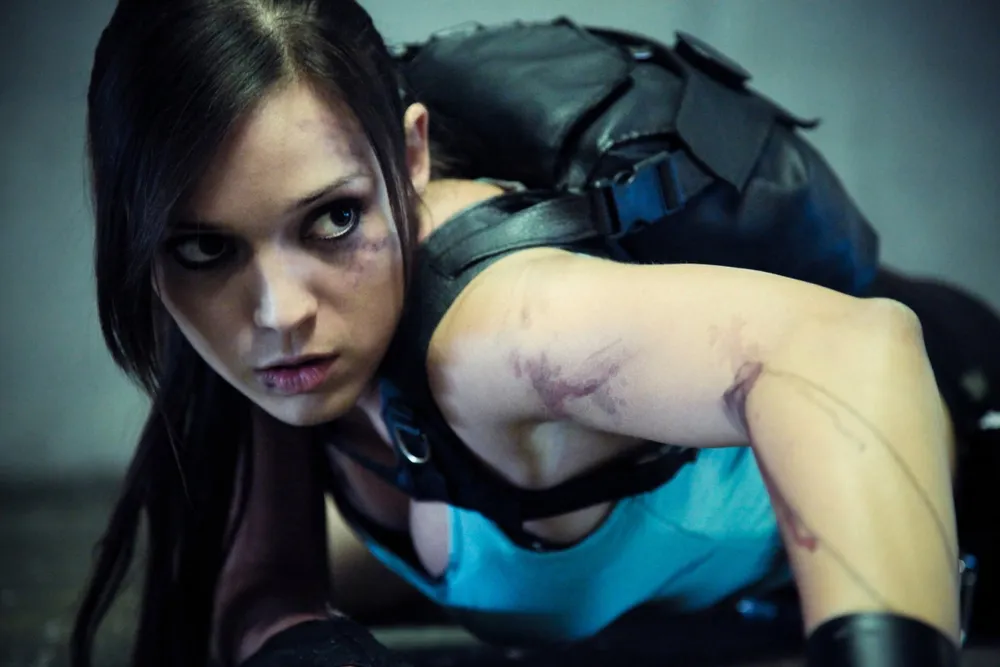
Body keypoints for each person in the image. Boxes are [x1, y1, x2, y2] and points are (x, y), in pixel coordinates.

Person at [69, 1, 998, 666]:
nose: (278, 313)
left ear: (411, 155)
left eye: (335, 219)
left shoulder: (504, 333)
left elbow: (858, 348)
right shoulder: (263, 334)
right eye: (205, 244)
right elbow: (265, 580)